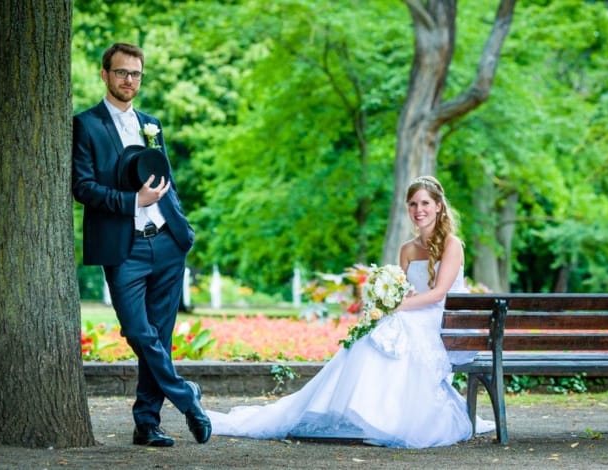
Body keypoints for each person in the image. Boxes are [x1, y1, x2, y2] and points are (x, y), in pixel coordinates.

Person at [205, 175, 493, 448]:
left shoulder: (452, 245)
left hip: (443, 318)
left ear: (438, 206)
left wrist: (396, 306)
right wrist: (386, 304)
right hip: (412, 312)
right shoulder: (407, 249)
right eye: (413, 204)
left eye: (425, 203)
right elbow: (404, 289)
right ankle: (361, 410)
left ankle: (391, 416)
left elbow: (439, 293)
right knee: (379, 329)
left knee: (396, 325)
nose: (419, 210)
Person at [72, 43, 211, 447]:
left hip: (167, 243)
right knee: (137, 330)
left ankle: (147, 423)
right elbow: (83, 188)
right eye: (121, 73)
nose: (128, 80)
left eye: (135, 74)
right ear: (104, 74)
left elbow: (164, 180)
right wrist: (133, 202)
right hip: (124, 247)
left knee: (160, 335)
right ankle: (187, 396)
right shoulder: (86, 125)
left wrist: (180, 225)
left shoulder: (152, 124)